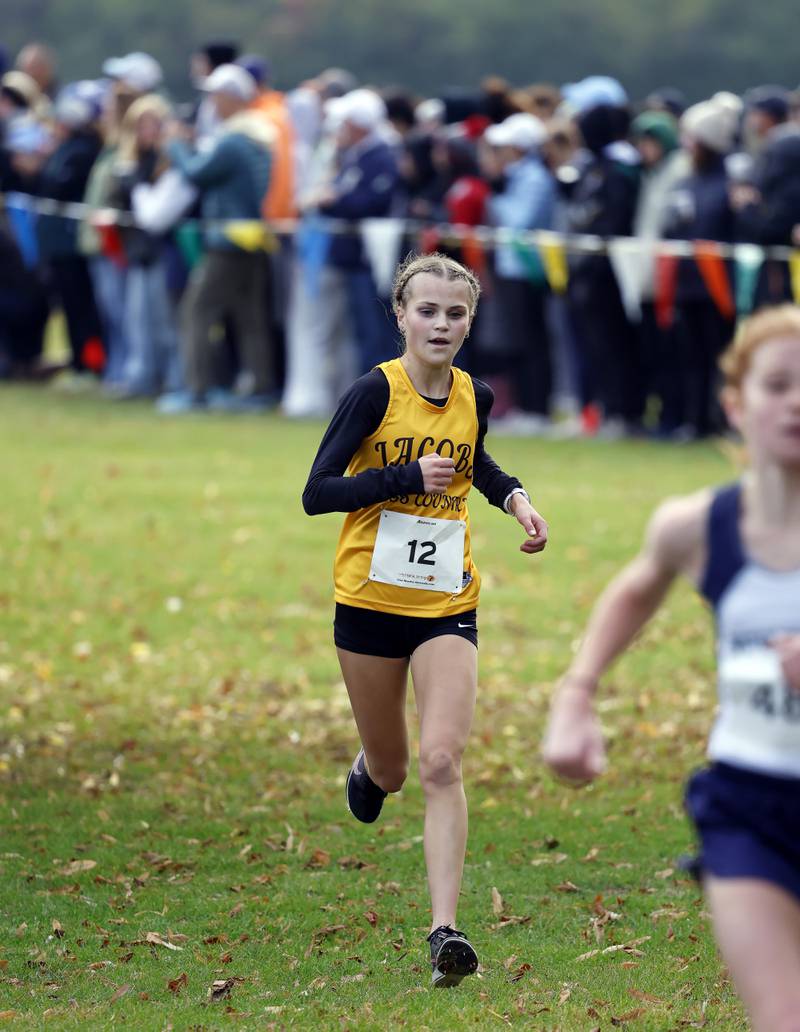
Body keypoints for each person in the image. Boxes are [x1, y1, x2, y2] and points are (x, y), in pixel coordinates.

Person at [542, 304, 800, 1032]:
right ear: (735, 404)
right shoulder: (698, 527)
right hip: (748, 807)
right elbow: (633, 590)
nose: (797, 401)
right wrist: (577, 695)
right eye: (778, 384)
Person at [303, 252, 548, 987]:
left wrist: (516, 500)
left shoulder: (476, 394)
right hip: (371, 604)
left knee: (443, 761)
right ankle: (369, 768)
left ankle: (446, 931)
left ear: (470, 321)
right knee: (398, 768)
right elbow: (317, 492)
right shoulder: (373, 392)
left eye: (455, 313)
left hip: (447, 603)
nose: (441, 324)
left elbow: (478, 464)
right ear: (401, 315)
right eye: (428, 311)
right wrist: (402, 478)